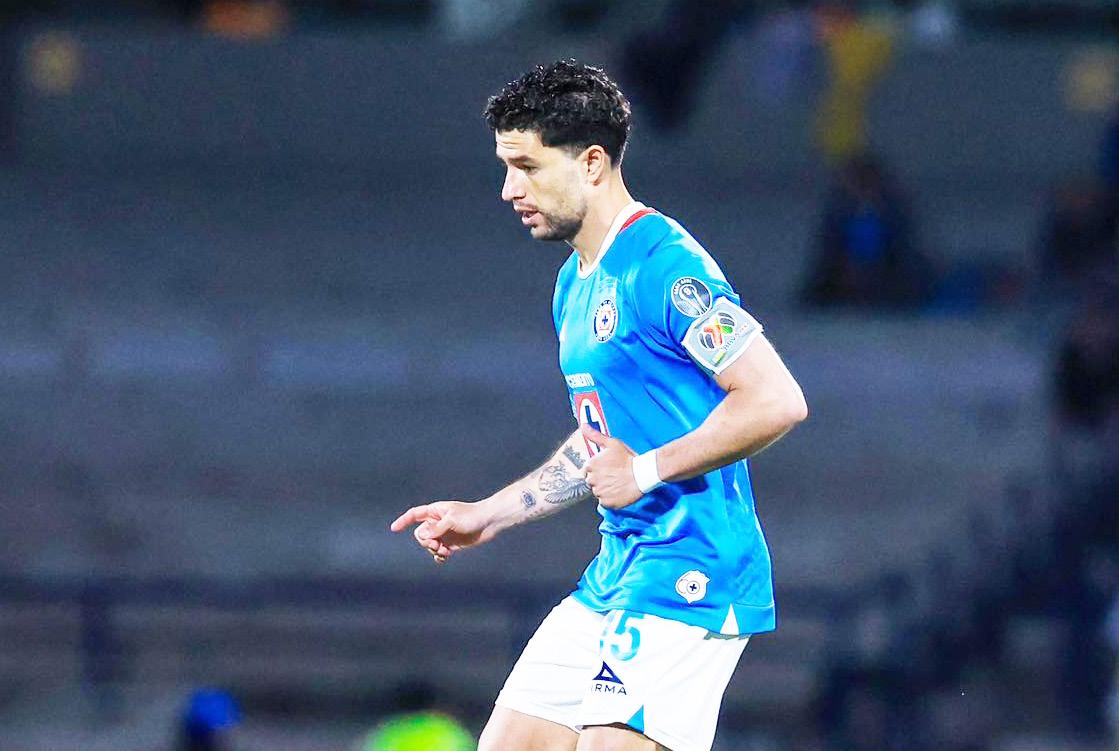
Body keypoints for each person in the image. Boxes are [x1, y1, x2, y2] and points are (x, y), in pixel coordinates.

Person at [390, 60, 808, 751]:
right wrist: (490, 513)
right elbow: (599, 442)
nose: (508, 189)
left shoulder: (665, 265)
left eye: (526, 166)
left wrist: (644, 471)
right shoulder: (573, 284)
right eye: (505, 167)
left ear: (590, 163)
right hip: (619, 570)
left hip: (691, 571)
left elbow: (775, 400)